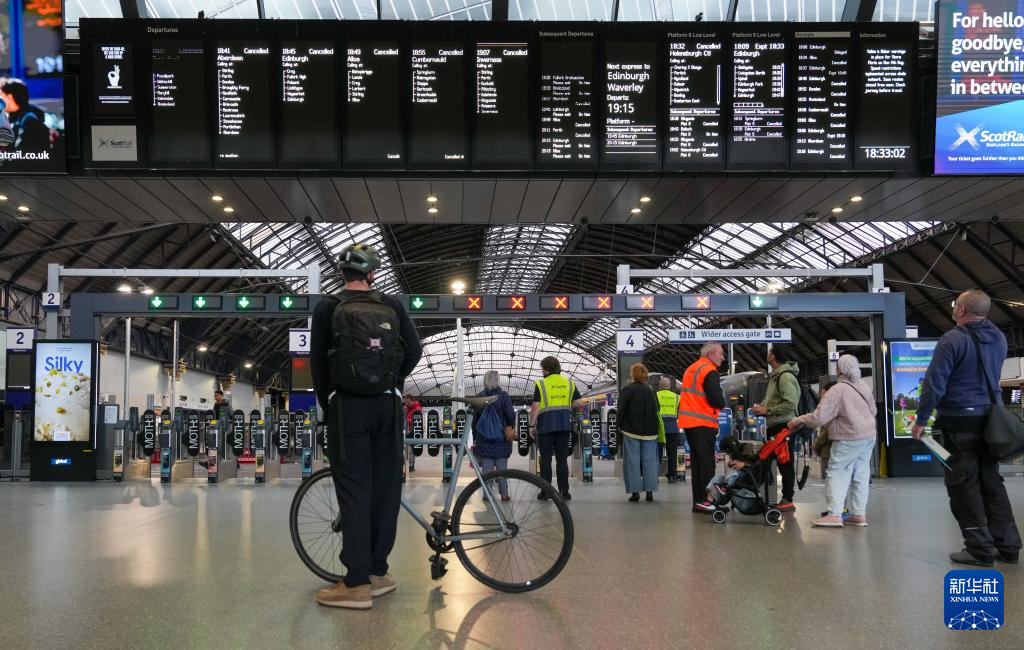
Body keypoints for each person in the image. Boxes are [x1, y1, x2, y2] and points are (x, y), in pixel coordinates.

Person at [310, 243, 423, 609]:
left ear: (341, 273)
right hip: (388, 406)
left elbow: (318, 366)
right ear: (372, 274)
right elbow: (414, 351)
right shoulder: (393, 306)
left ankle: (357, 582)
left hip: (348, 408)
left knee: (354, 491)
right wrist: (391, 380)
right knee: (386, 489)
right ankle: (378, 572)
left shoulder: (327, 308)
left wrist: (329, 403)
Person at [912, 289, 1021, 566]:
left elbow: (934, 384)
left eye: (955, 304)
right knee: (991, 481)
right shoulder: (998, 337)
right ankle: (1008, 546)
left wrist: (921, 420)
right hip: (991, 421)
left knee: (963, 484)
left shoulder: (952, 340)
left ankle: (979, 549)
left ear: (961, 310)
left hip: (958, 422)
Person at [788, 356, 877, 528]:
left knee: (836, 473)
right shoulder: (863, 385)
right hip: (868, 436)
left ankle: (834, 514)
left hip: (848, 437)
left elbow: (818, 418)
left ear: (840, 370)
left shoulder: (837, 390)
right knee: (861, 475)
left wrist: (798, 420)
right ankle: (859, 515)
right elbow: (873, 410)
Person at [750, 344, 800, 511]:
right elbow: (773, 401)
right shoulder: (775, 376)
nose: (767, 355)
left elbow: (791, 404)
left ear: (773, 356)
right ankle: (769, 496)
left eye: (769, 353)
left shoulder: (785, 377)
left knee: (784, 462)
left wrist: (768, 410)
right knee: (772, 461)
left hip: (784, 425)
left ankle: (787, 499)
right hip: (775, 425)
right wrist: (762, 408)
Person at [678, 342, 727, 513]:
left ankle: (698, 503)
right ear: (710, 354)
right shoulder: (709, 371)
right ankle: (708, 502)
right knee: (707, 465)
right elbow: (716, 399)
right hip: (703, 422)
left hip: (689, 423)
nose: (723, 357)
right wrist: (722, 402)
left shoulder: (691, 369)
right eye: (720, 354)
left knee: (698, 464)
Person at [530, 356, 583, 501]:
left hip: (545, 427)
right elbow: (579, 403)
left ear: (546, 369)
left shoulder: (541, 384)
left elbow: (536, 406)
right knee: (562, 460)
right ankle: (564, 492)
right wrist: (566, 406)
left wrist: (531, 425)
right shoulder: (569, 383)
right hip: (564, 426)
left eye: (542, 369)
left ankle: (546, 492)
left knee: (545, 460)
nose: (542, 371)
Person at [619, 363, 662, 502]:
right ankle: (650, 492)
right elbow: (657, 408)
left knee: (632, 462)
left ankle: (635, 493)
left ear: (633, 374)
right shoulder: (650, 390)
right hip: (650, 432)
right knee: (650, 462)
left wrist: (618, 426)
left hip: (631, 431)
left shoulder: (628, 389)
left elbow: (621, 409)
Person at [474, 370, 517, 501]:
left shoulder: (479, 397)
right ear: (497, 381)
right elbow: (511, 416)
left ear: (485, 381)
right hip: (501, 439)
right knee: (502, 468)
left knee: (486, 469)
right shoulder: (503, 396)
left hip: (484, 439)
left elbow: (475, 420)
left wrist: (476, 436)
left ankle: (487, 495)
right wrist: (510, 426)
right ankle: (504, 494)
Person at [0, 79, 50, 153]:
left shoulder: (30, 122)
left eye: (1, 95)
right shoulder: (10, 118)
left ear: (9, 97)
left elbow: (20, 153)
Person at [656, 377, 682, 483]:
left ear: (660, 386)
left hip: (659, 428)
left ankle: (655, 476)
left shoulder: (656, 395)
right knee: (672, 453)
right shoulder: (677, 397)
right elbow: (680, 413)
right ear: (670, 386)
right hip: (673, 428)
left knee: (657, 454)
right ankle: (672, 476)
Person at [811, 381, 837, 482]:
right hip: (832, 450)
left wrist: (816, 444)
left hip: (828, 451)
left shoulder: (831, 406)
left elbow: (827, 431)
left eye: (822, 392)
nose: (821, 395)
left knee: (829, 481)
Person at [402, 393, 422, 473]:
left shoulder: (417, 409)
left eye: (408, 402)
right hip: (405, 431)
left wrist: (406, 420)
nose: (406, 403)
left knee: (411, 449)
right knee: (404, 448)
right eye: (405, 402)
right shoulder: (406, 408)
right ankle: (405, 465)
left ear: (413, 401)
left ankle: (411, 466)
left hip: (413, 431)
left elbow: (416, 420)